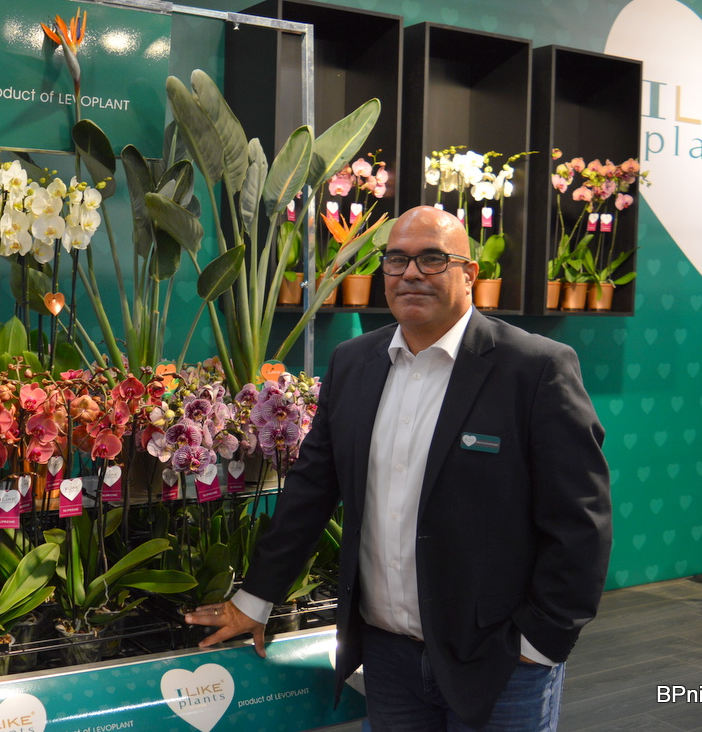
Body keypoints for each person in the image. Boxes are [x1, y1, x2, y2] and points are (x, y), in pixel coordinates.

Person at [186, 206, 612, 731]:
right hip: (387, 658)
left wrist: (542, 641)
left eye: (432, 259)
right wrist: (256, 599)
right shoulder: (353, 363)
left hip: (499, 661)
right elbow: (311, 491)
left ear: (470, 274)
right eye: (396, 260)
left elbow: (581, 520)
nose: (411, 273)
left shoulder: (535, 368)